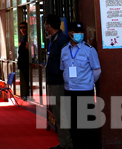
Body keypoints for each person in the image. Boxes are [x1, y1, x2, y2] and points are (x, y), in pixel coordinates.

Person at [61, 21, 101, 149]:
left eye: (81, 32)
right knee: (73, 125)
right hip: (69, 91)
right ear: (70, 34)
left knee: (88, 125)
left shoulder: (89, 50)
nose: (80, 35)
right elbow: (63, 69)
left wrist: (88, 83)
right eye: (77, 32)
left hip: (85, 91)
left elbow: (97, 70)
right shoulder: (64, 50)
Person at [44, 15, 72, 149]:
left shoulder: (61, 40)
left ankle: (69, 144)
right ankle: (64, 142)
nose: (45, 27)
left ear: (49, 26)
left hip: (59, 82)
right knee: (58, 114)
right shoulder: (54, 39)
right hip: (54, 81)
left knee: (62, 114)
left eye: (45, 25)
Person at [17, 21, 30, 100]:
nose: (22, 29)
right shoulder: (23, 38)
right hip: (22, 62)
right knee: (24, 79)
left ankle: (26, 95)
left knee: (26, 79)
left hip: (26, 62)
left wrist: (22, 45)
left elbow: (28, 47)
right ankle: (24, 95)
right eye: (21, 27)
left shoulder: (27, 37)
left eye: (24, 27)